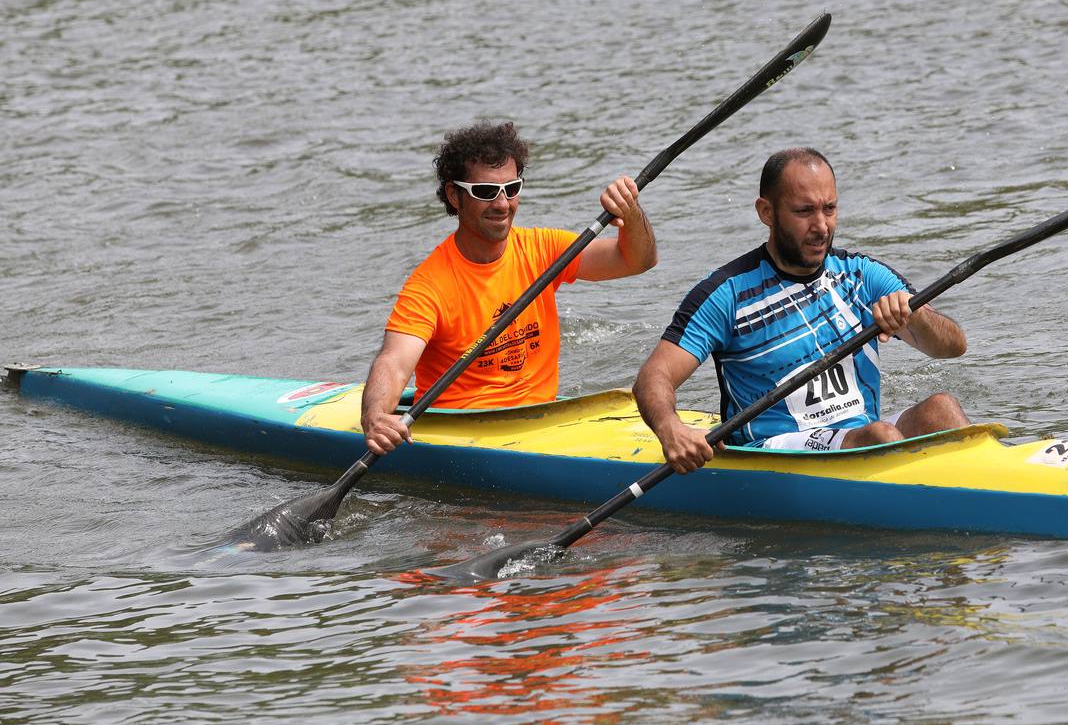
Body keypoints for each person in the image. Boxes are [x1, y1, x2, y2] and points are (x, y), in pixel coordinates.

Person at [634, 147, 969, 474]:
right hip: (772, 448)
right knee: (880, 436)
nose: (822, 226)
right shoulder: (727, 295)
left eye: (829, 208)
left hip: (864, 436)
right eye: (804, 211)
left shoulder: (862, 276)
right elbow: (654, 376)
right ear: (767, 212)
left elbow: (952, 347)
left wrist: (916, 316)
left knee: (942, 410)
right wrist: (670, 427)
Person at [361, 121, 656, 455]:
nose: (502, 204)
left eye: (512, 189)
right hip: (465, 436)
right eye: (485, 192)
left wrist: (631, 214)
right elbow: (395, 362)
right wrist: (375, 417)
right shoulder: (429, 286)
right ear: (454, 195)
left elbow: (636, 261)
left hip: (543, 423)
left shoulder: (544, 250)